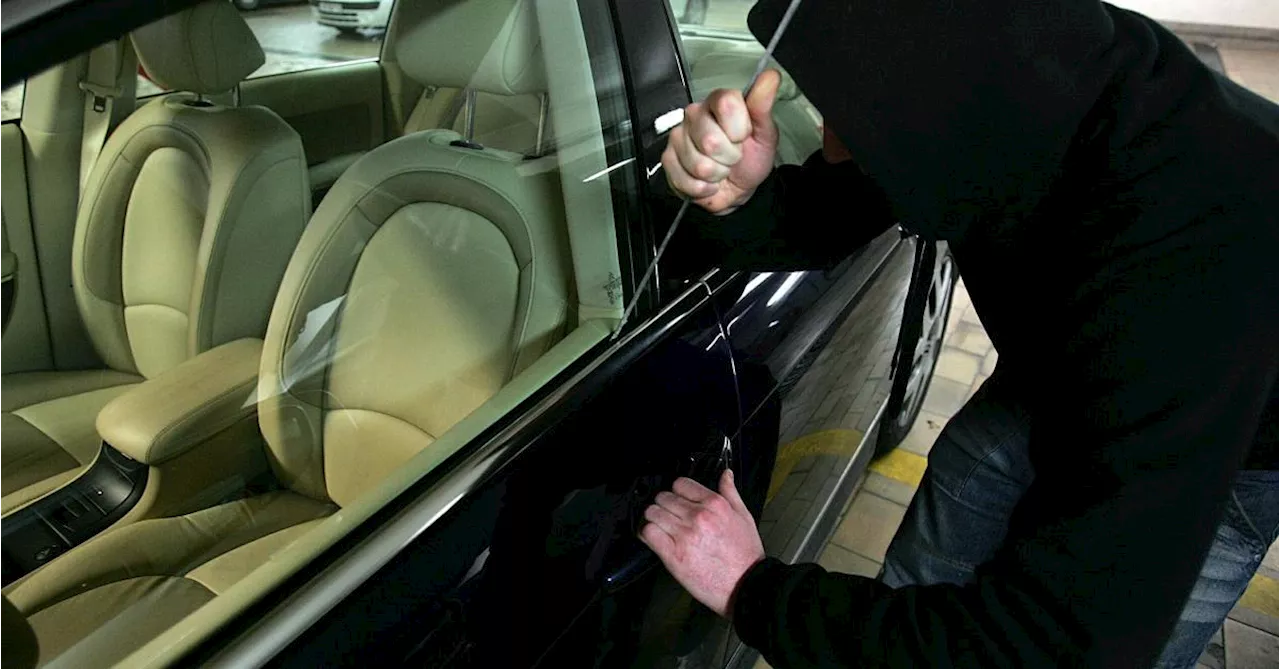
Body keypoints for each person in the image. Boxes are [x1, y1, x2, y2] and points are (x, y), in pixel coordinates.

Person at [636, 0, 1280, 667]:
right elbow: (847, 200)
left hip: (1244, 446)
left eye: (843, 105)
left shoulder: (1182, 275)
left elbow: (1053, 646)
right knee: (938, 556)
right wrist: (740, 198)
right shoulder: (991, 76)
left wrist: (753, 591)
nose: (829, 132)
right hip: (1067, 361)